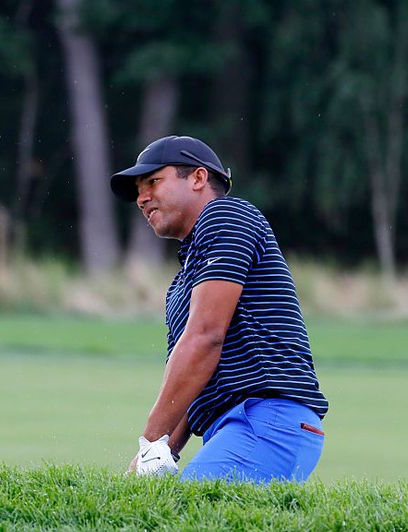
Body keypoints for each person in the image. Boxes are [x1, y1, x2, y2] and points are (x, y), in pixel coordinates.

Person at [110, 135, 328, 483]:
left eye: (153, 182)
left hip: (268, 418)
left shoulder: (226, 215)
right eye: (138, 190)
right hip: (235, 429)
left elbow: (205, 338)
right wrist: (160, 451)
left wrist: (151, 440)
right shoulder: (182, 283)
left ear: (198, 178)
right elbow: (192, 377)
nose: (142, 198)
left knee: (187, 515)